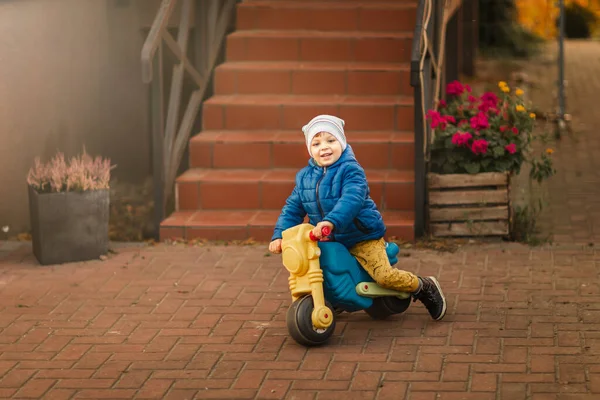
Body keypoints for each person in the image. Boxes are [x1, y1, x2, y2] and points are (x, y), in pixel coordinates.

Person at [268, 114, 447, 321]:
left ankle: (423, 286)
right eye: (316, 143)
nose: (324, 147)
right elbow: (292, 208)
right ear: (309, 149)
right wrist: (279, 236)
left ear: (342, 142)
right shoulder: (304, 178)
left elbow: (351, 200)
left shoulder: (351, 170)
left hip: (361, 236)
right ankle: (334, 296)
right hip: (330, 239)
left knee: (384, 276)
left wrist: (331, 221)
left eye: (331, 140)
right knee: (316, 268)